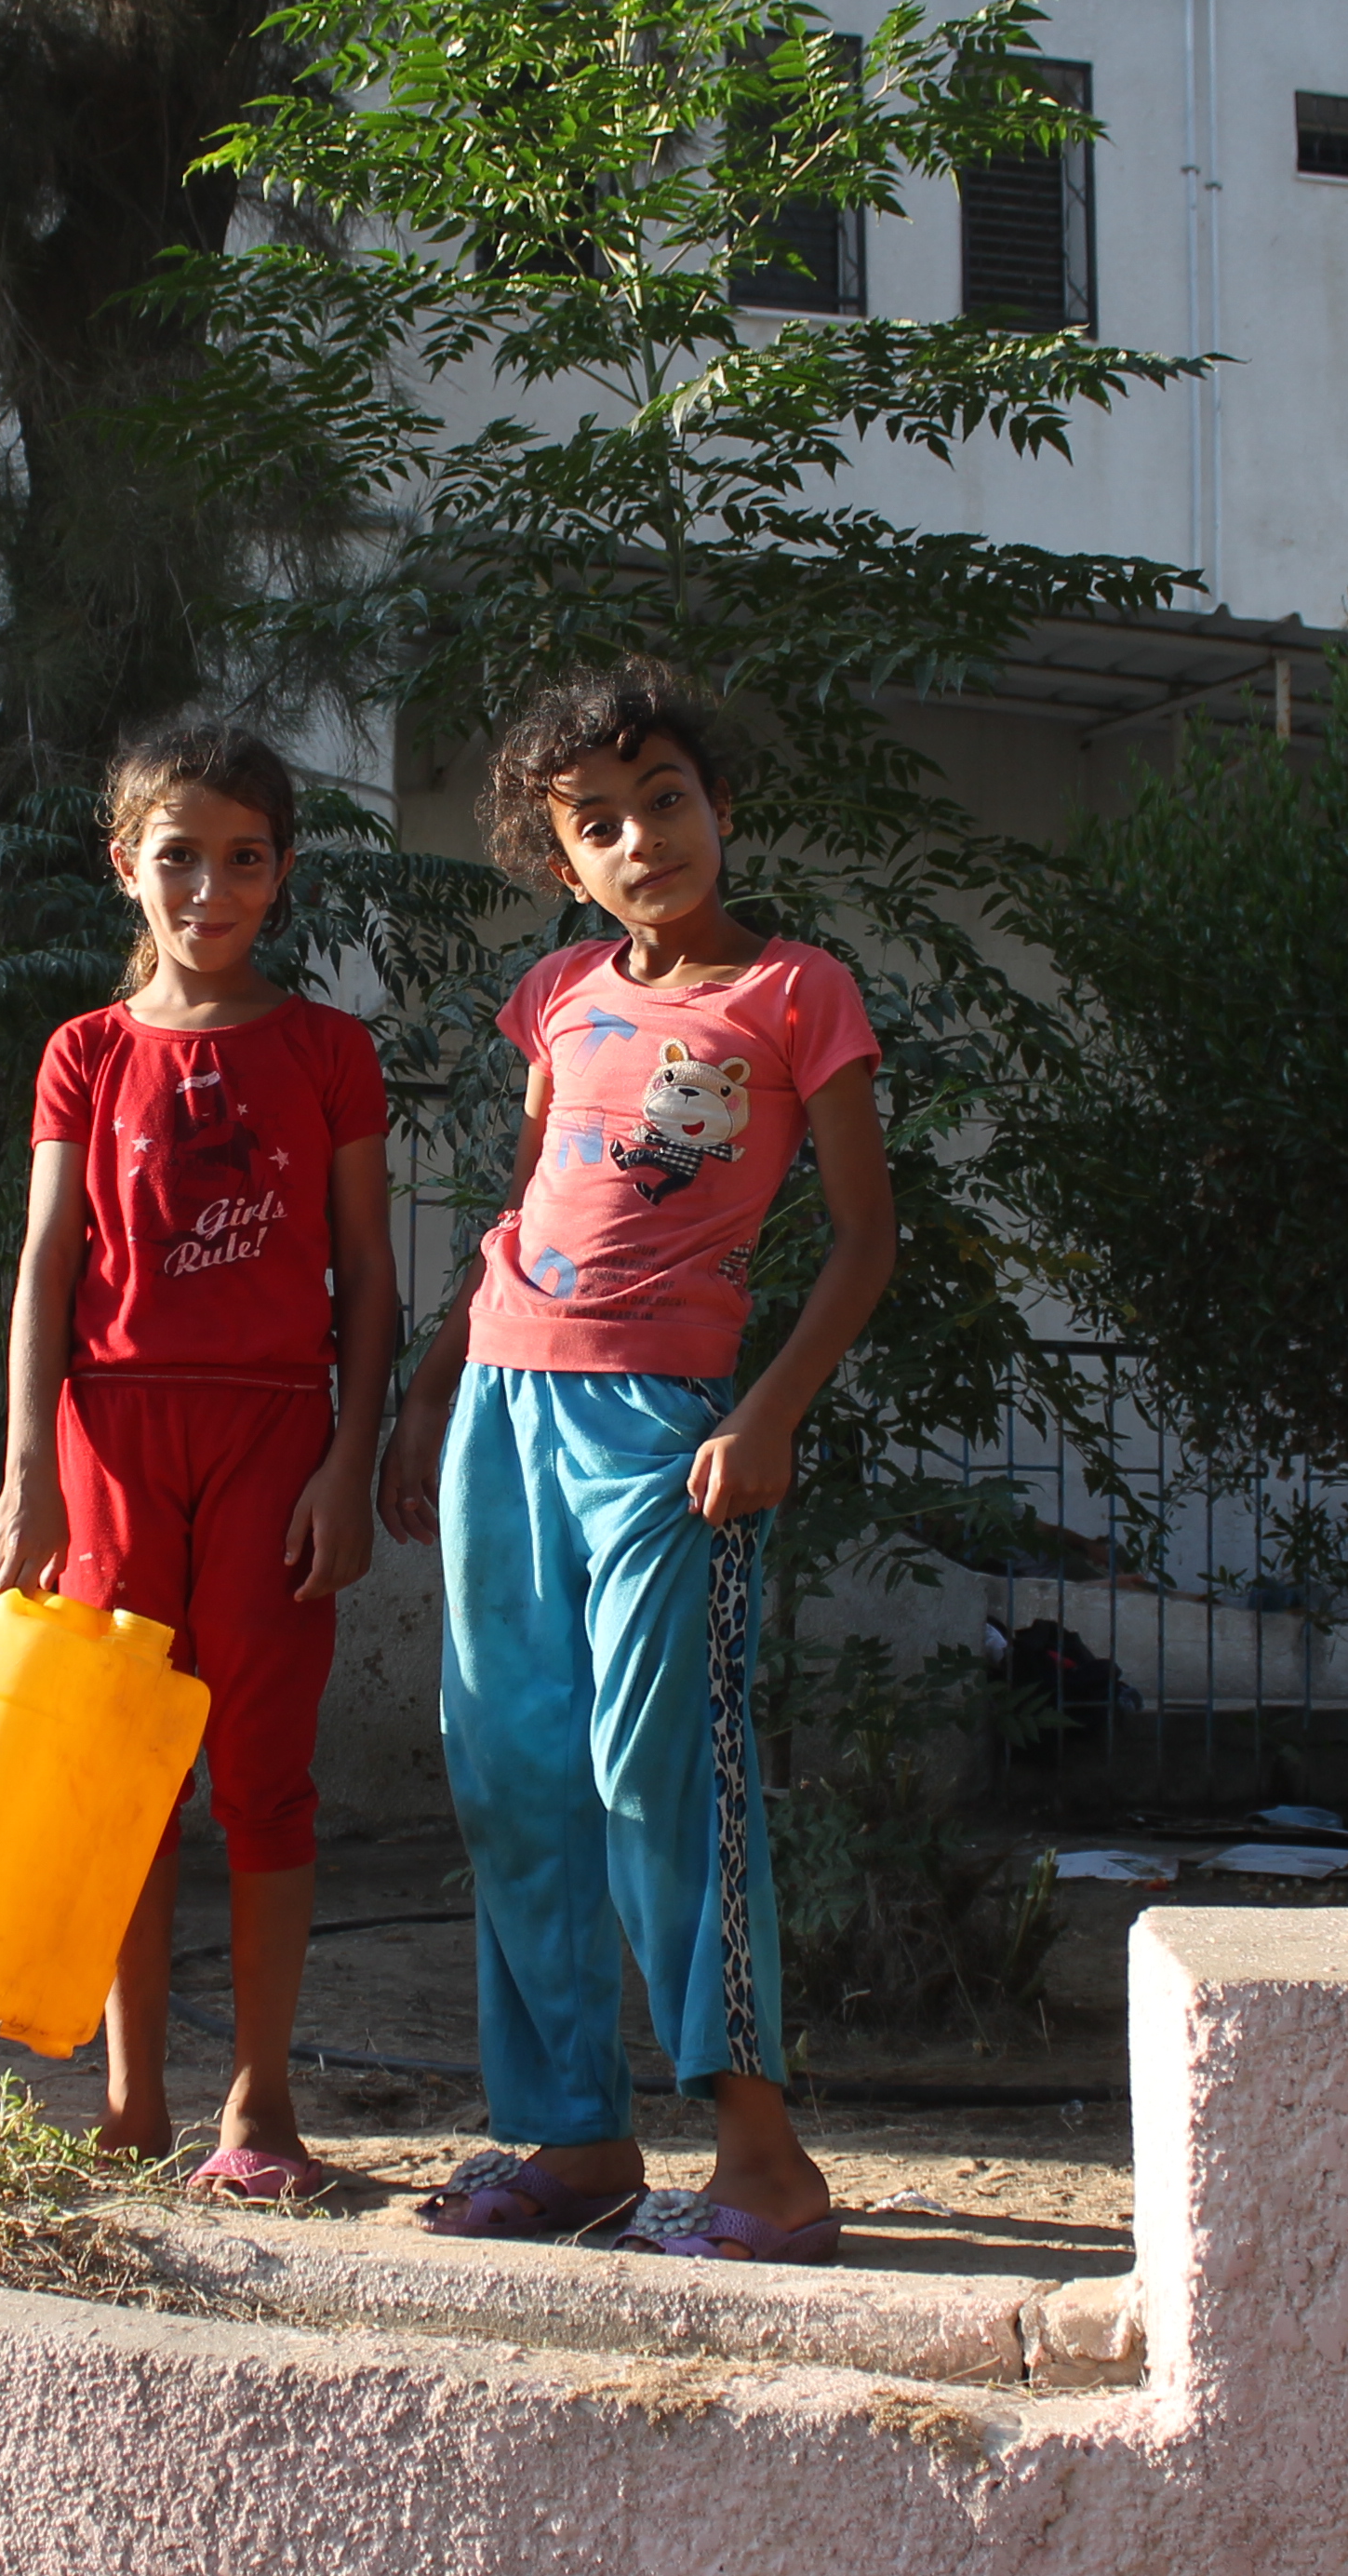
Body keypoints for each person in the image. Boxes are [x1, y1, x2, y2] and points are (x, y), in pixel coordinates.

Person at [378, 659, 895, 2263]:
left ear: (719, 811)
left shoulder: (796, 994)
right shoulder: (556, 998)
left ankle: (763, 2165)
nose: (639, 839)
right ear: (562, 861)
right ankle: (577, 2142)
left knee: (659, 1782)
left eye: (664, 801)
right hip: (500, 1421)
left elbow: (868, 1242)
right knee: (515, 1779)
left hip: (664, 1441)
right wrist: (429, 1390)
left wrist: (767, 1417)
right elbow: (524, 1210)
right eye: (596, 823)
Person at [0, 723, 397, 2202]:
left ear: (281, 874)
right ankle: (130, 2096)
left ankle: (258, 2104)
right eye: (178, 856)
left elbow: (371, 1280)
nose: (207, 890)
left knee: (264, 1780)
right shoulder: (85, 1053)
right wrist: (29, 1468)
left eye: (241, 859)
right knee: (120, 1776)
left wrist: (349, 1464)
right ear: (125, 867)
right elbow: (46, 1262)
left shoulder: (328, 1052)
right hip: (111, 1435)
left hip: (275, 1435)